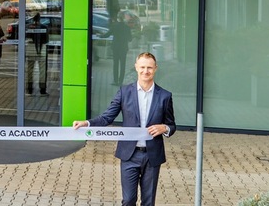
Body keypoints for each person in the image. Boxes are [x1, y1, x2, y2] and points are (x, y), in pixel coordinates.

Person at [73, 52, 175, 206]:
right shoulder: (124, 92)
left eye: (149, 68)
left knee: (148, 202)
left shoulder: (165, 96)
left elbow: (172, 125)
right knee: (128, 200)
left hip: (152, 156)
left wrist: (164, 127)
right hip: (129, 154)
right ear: (136, 67)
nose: (145, 71)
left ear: (155, 68)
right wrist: (86, 123)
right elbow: (107, 117)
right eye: (142, 67)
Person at [103, 13, 132, 86]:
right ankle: (120, 81)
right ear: (123, 18)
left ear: (118, 18)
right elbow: (130, 39)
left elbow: (107, 34)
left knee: (115, 64)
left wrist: (100, 35)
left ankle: (115, 81)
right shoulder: (127, 27)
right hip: (123, 48)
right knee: (123, 65)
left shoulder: (114, 26)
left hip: (115, 48)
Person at [25, 12, 49, 96]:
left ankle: (29, 89)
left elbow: (26, 38)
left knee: (29, 71)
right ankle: (42, 89)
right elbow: (46, 40)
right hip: (42, 51)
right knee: (42, 71)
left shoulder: (28, 27)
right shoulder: (44, 27)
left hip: (31, 50)